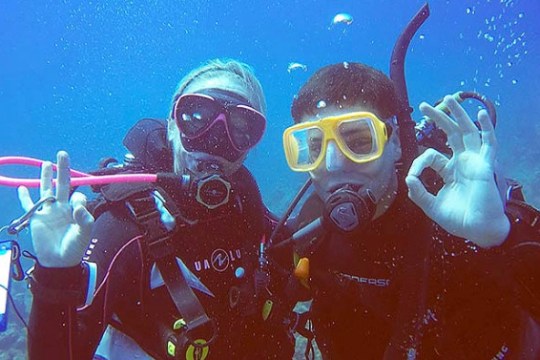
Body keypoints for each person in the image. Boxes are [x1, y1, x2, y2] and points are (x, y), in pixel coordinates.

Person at [18, 59, 296, 359]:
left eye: (241, 127)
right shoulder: (126, 224)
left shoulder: (247, 207)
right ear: (172, 125)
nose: (216, 139)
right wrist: (55, 277)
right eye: (197, 116)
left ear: (251, 145)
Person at [282, 62, 540, 359]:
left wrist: (502, 235)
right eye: (316, 147)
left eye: (359, 142)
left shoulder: (450, 207)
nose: (333, 165)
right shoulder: (310, 230)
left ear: (395, 143)